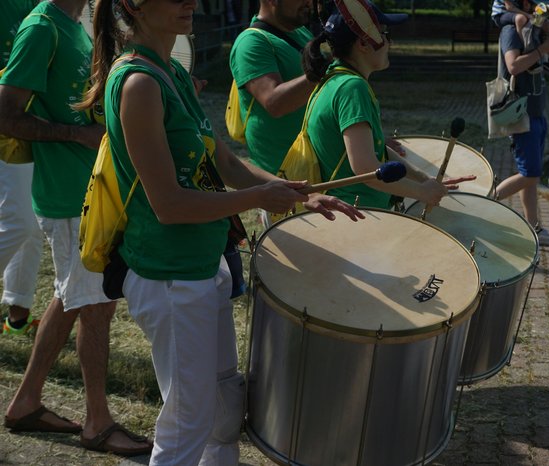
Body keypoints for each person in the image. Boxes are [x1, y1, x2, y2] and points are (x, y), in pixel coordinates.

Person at [80, 0, 363, 463]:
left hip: (201, 265)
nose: (190, 2)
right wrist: (257, 199)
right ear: (136, 5)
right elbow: (168, 205)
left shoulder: (167, 69)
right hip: (169, 275)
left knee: (222, 409)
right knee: (188, 421)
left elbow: (222, 160)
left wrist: (296, 192)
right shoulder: (139, 84)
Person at [0, 0, 152, 456]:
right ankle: (97, 423)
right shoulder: (41, 28)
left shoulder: (77, 24)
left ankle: (25, 402)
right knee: (97, 305)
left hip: (87, 191)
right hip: (68, 198)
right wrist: (75, 135)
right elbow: (6, 114)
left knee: (72, 295)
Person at [302, 0, 475, 209]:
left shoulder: (333, 79)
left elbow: (373, 150)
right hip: (356, 214)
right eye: (384, 34)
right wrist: (421, 192)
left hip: (351, 210)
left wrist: (423, 179)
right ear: (364, 44)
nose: (389, 42)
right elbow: (366, 168)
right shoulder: (352, 88)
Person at [491, 0, 549, 246]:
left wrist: (546, 35)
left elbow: (543, 55)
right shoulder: (510, 30)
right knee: (531, 173)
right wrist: (542, 49)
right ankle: (483, 203)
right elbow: (513, 66)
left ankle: (534, 228)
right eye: (538, 5)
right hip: (519, 112)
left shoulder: (530, 28)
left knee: (531, 174)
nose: (540, 10)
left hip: (537, 110)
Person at [229, 0, 318, 175]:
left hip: (313, 165)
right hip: (282, 174)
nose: (309, 3)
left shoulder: (300, 33)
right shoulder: (251, 42)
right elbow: (274, 103)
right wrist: (320, 73)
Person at [0, 0, 43, 336]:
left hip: (32, 120)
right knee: (19, 221)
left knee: (32, 224)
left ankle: (17, 314)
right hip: (8, 118)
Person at [491, 0, 549, 77]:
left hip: (520, 11)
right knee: (521, 19)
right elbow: (510, 7)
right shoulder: (510, 30)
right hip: (502, 13)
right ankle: (526, 49)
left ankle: (545, 60)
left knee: (548, 24)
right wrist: (528, 15)